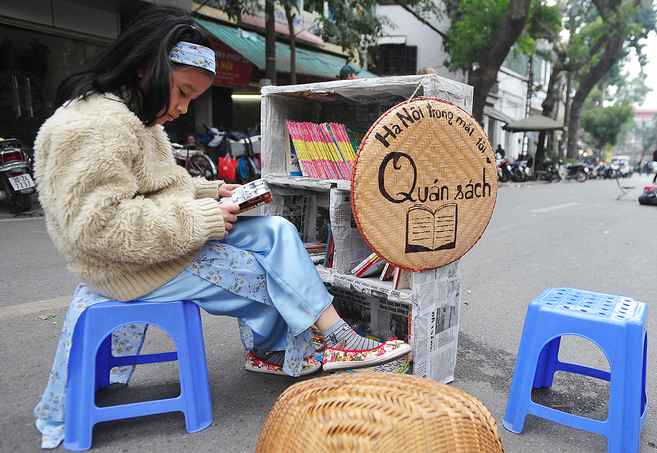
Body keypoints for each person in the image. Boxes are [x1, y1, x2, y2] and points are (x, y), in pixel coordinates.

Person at [33, 5, 410, 447]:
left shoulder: (138, 117)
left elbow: (163, 186)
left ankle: (313, 340)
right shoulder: (96, 124)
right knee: (265, 271)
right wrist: (202, 217)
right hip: (127, 267)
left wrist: (217, 194)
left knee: (279, 234)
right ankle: (314, 341)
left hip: (165, 245)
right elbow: (98, 229)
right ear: (145, 69)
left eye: (191, 97)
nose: (183, 107)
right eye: (182, 92)